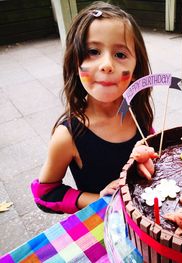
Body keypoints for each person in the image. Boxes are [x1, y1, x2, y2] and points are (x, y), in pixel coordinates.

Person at [31, 1, 154, 214]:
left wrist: (149, 157)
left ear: (135, 71)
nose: (106, 64)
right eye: (93, 51)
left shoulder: (138, 113)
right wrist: (97, 199)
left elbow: (150, 149)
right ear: (75, 63)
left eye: (120, 55)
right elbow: (45, 193)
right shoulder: (68, 135)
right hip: (103, 226)